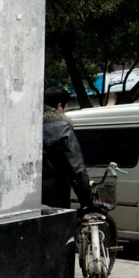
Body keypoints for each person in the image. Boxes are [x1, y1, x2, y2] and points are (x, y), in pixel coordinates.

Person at [42, 86, 100, 214]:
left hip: (27, 198)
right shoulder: (62, 128)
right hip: (55, 197)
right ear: (59, 106)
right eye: (66, 107)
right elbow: (76, 169)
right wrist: (87, 200)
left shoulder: (29, 126)